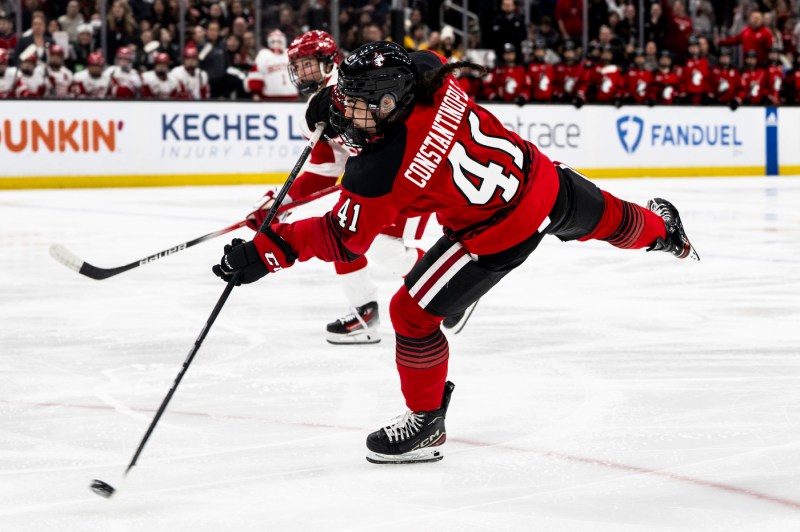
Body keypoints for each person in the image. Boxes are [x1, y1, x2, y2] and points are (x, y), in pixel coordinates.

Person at [212, 41, 699, 464]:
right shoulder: (432, 74)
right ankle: (664, 233)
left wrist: (269, 250)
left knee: (410, 313)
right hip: (539, 177)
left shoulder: (385, 168)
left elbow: (344, 239)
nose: (349, 114)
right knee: (609, 218)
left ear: (388, 101)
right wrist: (336, 105)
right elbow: (405, 64)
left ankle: (425, 421)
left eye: (358, 105)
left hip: (494, 233)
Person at [245, 30, 430, 344]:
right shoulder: (311, 113)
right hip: (374, 179)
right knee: (343, 235)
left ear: (329, 61)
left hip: (406, 170)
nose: (303, 72)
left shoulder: (355, 82)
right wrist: (278, 204)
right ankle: (364, 313)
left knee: (386, 249)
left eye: (308, 64)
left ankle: (444, 286)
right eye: (298, 66)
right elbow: (323, 172)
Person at [245, 29, 298, 101]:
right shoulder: (264, 54)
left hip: (291, 97)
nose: (276, 43)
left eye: (279, 41)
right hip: (269, 98)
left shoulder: (290, 54)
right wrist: (255, 92)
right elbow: (256, 74)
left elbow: (299, 74)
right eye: (273, 41)